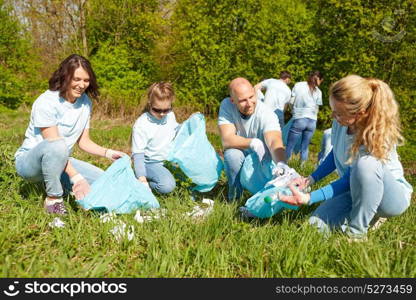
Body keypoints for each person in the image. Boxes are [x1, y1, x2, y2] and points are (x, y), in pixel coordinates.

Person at [280, 75, 413, 238]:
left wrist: (309, 198)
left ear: (360, 113)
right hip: (353, 190)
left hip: (389, 198)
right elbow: (335, 154)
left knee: (366, 164)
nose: (333, 117)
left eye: (338, 113)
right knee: (313, 229)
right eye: (333, 111)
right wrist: (310, 179)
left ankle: (357, 232)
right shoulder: (341, 123)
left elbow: (349, 177)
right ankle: (362, 213)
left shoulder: (374, 134)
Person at [15, 54, 126, 215]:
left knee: (103, 180)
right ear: (65, 76)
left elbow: (84, 142)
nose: (82, 85)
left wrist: (109, 153)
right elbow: (54, 147)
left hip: (61, 161)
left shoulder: (85, 103)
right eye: (77, 79)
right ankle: (53, 200)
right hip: (30, 164)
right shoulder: (46, 102)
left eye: (86, 80)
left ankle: (63, 185)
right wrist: (77, 178)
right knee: (58, 146)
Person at [218, 77, 286, 201]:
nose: (249, 104)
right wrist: (252, 142)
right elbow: (226, 139)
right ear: (233, 101)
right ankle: (235, 198)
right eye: (243, 100)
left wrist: (282, 165)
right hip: (242, 150)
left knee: (269, 188)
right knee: (232, 155)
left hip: (262, 158)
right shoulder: (227, 105)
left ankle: (259, 198)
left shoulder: (266, 113)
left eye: (251, 97)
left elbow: (274, 140)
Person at [132, 82, 179, 194]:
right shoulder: (142, 124)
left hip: (170, 161)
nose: (162, 114)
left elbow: (176, 131)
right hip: (150, 163)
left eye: (166, 109)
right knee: (167, 186)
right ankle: (140, 182)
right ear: (150, 103)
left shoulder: (171, 115)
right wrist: (142, 178)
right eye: (157, 110)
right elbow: (138, 156)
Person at [286, 70, 324, 163]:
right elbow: (317, 108)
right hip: (312, 121)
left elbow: (291, 102)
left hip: (299, 118)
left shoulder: (299, 85)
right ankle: (302, 167)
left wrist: (293, 111)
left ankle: (284, 166)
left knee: (290, 145)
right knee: (305, 147)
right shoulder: (319, 92)